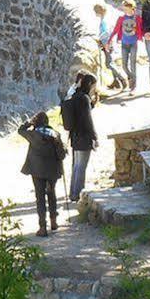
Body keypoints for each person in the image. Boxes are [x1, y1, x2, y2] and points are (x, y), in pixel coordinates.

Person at [19, 110, 68, 234]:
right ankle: (54, 221)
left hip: (37, 170)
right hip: (53, 170)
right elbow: (61, 155)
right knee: (51, 194)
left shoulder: (33, 134)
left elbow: (20, 130)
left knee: (40, 197)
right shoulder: (56, 134)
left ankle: (42, 227)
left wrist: (29, 123)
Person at [60, 71, 99, 202]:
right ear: (90, 84)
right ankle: (79, 194)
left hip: (75, 137)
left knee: (76, 166)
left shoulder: (76, 96)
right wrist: (95, 137)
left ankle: (73, 193)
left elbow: (80, 113)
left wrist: (92, 103)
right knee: (81, 167)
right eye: (94, 86)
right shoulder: (84, 99)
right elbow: (88, 120)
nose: (95, 89)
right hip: (84, 137)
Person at [110, 0, 143, 93]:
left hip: (133, 43)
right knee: (124, 65)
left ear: (131, 8)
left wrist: (143, 35)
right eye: (124, 8)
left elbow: (142, 28)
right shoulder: (121, 18)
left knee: (133, 64)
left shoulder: (137, 19)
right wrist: (109, 40)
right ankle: (131, 77)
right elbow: (115, 30)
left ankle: (134, 86)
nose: (124, 10)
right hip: (124, 44)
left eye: (126, 8)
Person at [94, 1, 120, 86]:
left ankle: (122, 79)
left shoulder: (104, 22)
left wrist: (103, 43)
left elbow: (105, 33)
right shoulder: (106, 20)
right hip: (109, 43)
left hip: (107, 43)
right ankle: (116, 82)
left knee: (109, 63)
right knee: (110, 62)